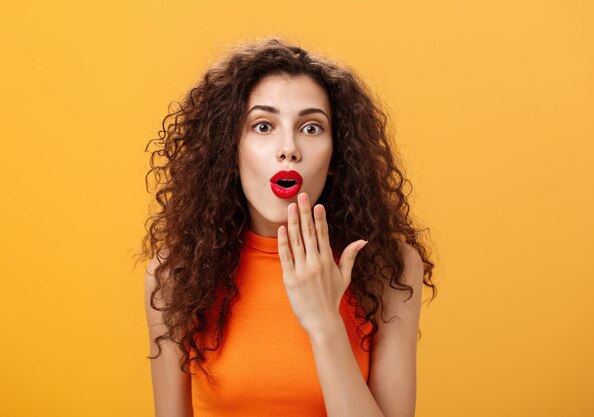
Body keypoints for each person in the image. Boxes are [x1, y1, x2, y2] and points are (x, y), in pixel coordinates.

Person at [137, 37, 437, 417]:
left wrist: (324, 323)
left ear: (336, 157)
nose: (288, 148)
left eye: (311, 128)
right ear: (231, 151)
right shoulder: (174, 276)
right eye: (263, 126)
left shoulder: (388, 269)